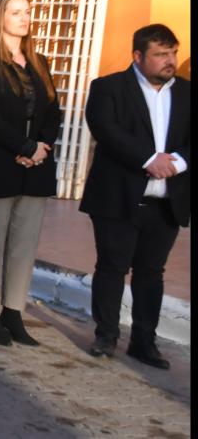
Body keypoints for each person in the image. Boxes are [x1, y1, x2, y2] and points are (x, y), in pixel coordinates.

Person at [81, 24, 189, 370]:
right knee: (112, 267)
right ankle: (106, 336)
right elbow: (106, 129)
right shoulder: (108, 88)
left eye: (172, 52)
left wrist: (178, 162)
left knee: (151, 272)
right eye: (160, 54)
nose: (169, 60)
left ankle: (144, 341)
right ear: (138, 56)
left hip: (167, 199)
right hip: (118, 197)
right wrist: (148, 159)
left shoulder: (187, 93)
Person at [0, 0, 62, 347]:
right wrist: (23, 147)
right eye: (16, 12)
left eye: (28, 12)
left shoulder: (39, 61)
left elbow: (53, 110)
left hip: (34, 166)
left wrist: (40, 147)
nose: (24, 18)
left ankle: (13, 311)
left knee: (23, 245)